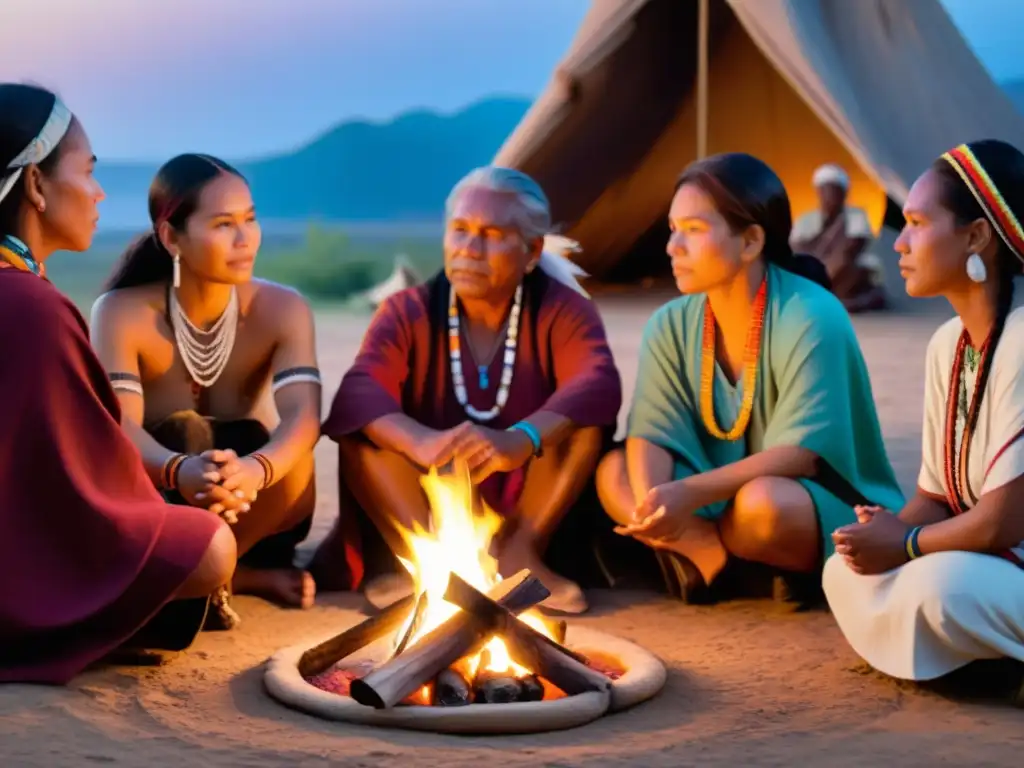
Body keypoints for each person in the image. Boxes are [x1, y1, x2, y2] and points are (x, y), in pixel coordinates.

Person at [0, 83, 236, 684]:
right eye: (87, 170)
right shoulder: (31, 306)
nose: (100, 192)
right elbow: (91, 490)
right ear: (34, 184)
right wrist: (171, 487)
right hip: (16, 577)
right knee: (210, 545)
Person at [311, 166, 622, 614]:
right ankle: (422, 564)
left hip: (527, 494)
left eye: (492, 234)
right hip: (428, 491)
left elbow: (595, 383)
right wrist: (420, 442)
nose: (470, 250)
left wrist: (522, 438)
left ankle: (521, 555)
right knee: (366, 428)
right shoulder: (406, 310)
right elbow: (359, 392)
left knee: (581, 423)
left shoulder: (565, 311)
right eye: (460, 230)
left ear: (531, 250)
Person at [597, 152, 904, 605]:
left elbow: (801, 455)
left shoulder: (811, 313)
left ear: (750, 241)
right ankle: (712, 554)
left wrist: (685, 494)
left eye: (694, 230)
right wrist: (655, 504)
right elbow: (652, 431)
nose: (672, 246)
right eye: (672, 228)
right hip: (707, 502)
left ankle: (721, 555)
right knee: (615, 474)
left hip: (805, 496)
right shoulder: (669, 323)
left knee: (764, 506)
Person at [825, 139, 1024, 693]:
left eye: (916, 222)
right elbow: (936, 497)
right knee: (841, 569)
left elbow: (1000, 524)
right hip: (987, 565)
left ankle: (978, 656)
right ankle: (980, 658)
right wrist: (886, 528)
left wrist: (906, 544)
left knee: (941, 585)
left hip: (996, 562)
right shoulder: (947, 345)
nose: (900, 243)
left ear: (977, 235)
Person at [90, 154, 321, 622]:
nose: (244, 239)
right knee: (185, 428)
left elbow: (303, 416)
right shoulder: (121, 311)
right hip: (160, 490)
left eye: (250, 220)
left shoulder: (283, 308)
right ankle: (221, 579)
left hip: (250, 504)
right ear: (172, 237)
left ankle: (217, 574)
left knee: (295, 463)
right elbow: (121, 428)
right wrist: (179, 470)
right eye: (223, 225)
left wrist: (255, 471)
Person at [790, 163, 888, 313]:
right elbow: (797, 248)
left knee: (845, 260)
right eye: (826, 190)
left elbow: (854, 246)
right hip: (815, 269)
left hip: (844, 270)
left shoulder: (856, 215)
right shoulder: (806, 219)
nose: (830, 196)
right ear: (818, 192)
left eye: (834, 191)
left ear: (844, 194)